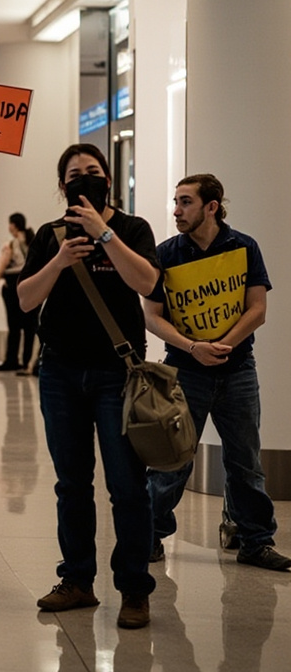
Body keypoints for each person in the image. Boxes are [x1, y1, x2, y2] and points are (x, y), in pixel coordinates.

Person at [17, 143, 160, 629]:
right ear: (62, 186)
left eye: (93, 173)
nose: (84, 180)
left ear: (109, 180)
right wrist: (57, 261)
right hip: (59, 372)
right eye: (74, 175)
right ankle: (77, 579)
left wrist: (105, 236)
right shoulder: (49, 235)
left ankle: (135, 589)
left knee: (127, 485)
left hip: (117, 373)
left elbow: (147, 284)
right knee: (71, 483)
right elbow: (23, 300)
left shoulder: (133, 228)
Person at [143, 174, 290, 571]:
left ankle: (255, 541)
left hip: (238, 370)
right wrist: (194, 347)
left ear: (212, 206)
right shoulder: (167, 254)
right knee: (171, 460)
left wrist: (223, 344)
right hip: (184, 371)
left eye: (186, 202)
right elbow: (152, 317)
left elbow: (257, 308)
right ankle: (149, 535)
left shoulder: (243, 247)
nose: (176, 210)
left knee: (246, 461)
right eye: (176, 201)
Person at [0, 213, 38, 373]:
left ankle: (12, 360)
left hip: (13, 286)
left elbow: (1, 268)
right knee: (30, 327)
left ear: (14, 225)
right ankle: (28, 363)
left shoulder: (11, 245)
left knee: (14, 326)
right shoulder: (33, 240)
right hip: (33, 285)